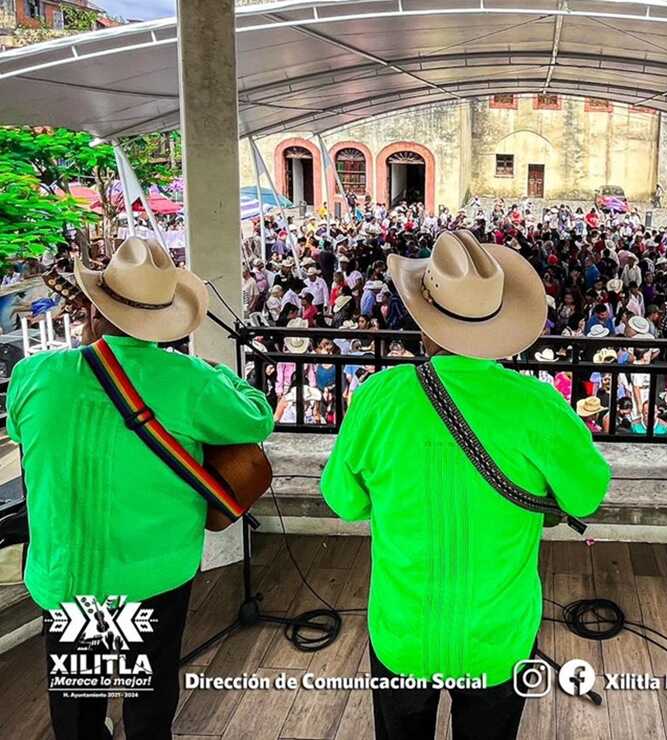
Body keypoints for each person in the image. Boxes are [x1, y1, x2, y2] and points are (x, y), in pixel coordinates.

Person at [320, 230, 610, 740]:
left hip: (403, 634)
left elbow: (344, 501)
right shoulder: (538, 405)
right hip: (496, 640)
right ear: (498, 321)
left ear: (424, 320)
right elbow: (587, 495)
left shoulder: (377, 398)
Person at [7, 237, 274, 740]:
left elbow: (23, 432)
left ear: (94, 312)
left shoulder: (33, 374)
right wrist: (219, 375)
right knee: (149, 700)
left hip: (66, 574)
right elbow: (257, 416)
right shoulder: (189, 380)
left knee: (77, 704)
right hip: (152, 576)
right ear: (165, 318)